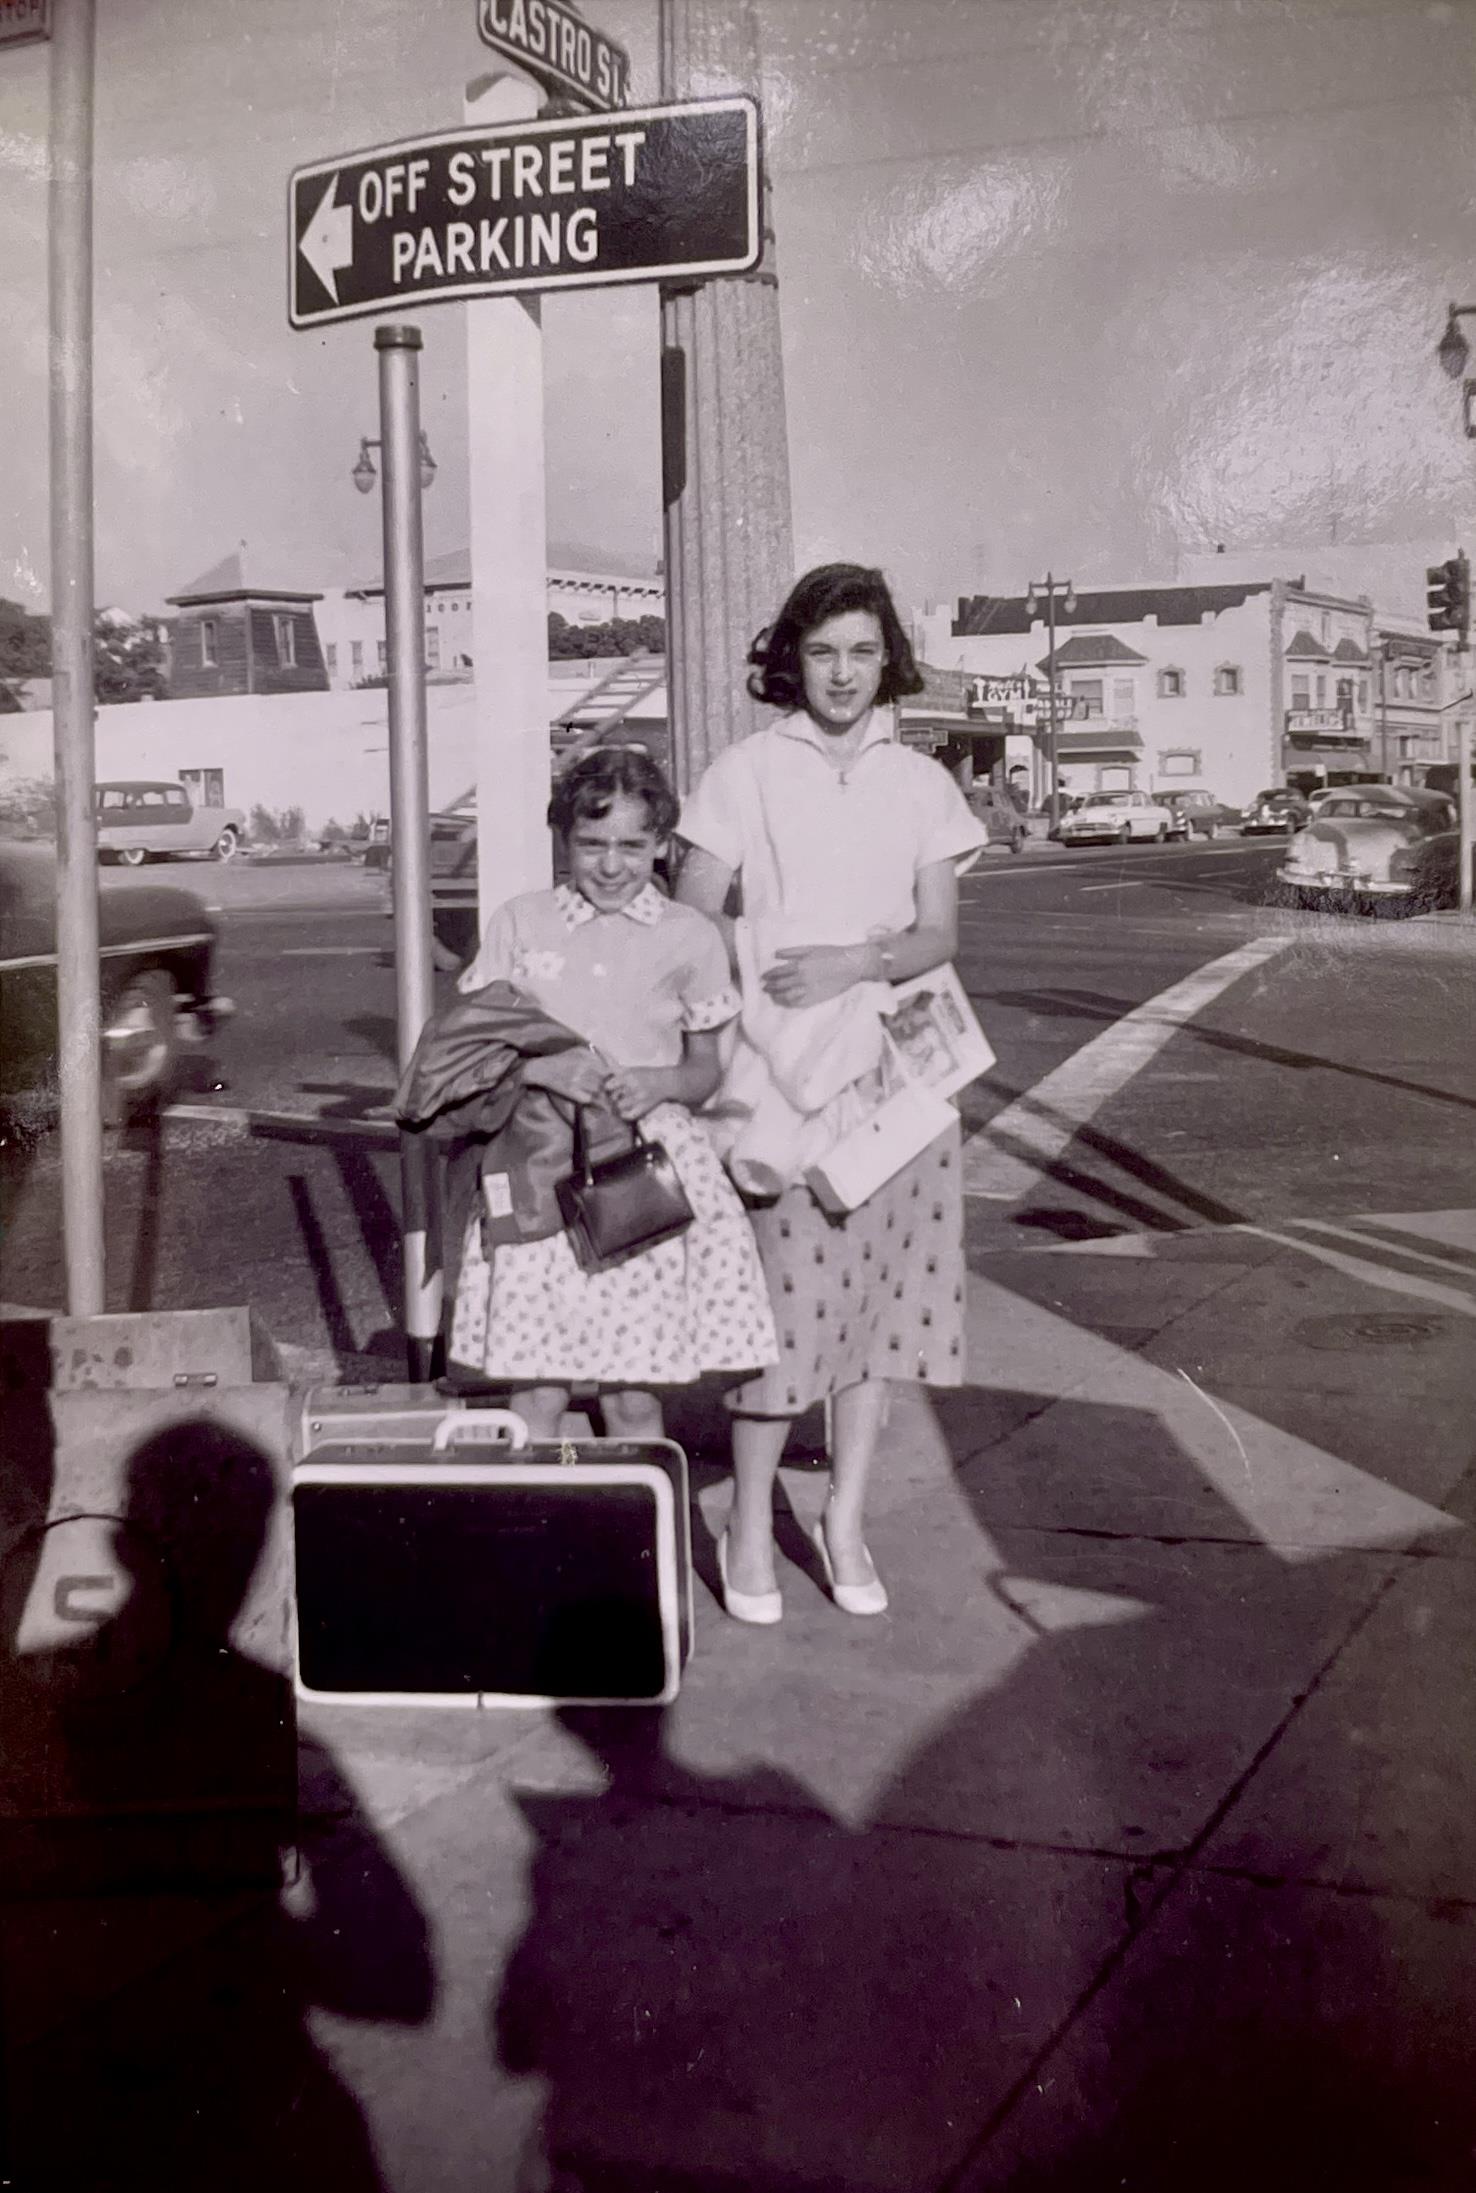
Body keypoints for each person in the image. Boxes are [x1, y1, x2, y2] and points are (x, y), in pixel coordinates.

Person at [676, 563, 987, 1623]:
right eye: (822, 652)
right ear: (790, 659)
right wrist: (774, 976)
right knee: (780, 1317)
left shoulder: (921, 782)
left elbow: (938, 934)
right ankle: (749, 1520)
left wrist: (854, 966)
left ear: (885, 656)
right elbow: (692, 912)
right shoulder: (746, 770)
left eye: (862, 650)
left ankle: (844, 1520)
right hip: (784, 1083)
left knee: (883, 1316)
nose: (843, 673)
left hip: (896, 1080)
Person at [446, 744, 777, 1441]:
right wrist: (537, 1070)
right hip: (536, 1163)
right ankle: (529, 1538)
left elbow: (704, 1070)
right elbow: (471, 1046)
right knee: (536, 1386)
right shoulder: (520, 921)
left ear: (661, 844)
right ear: (563, 840)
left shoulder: (689, 935)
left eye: (632, 845)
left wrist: (658, 1082)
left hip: (636, 1171)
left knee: (632, 1394)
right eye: (591, 843)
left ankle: (641, 1541)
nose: (611, 863)